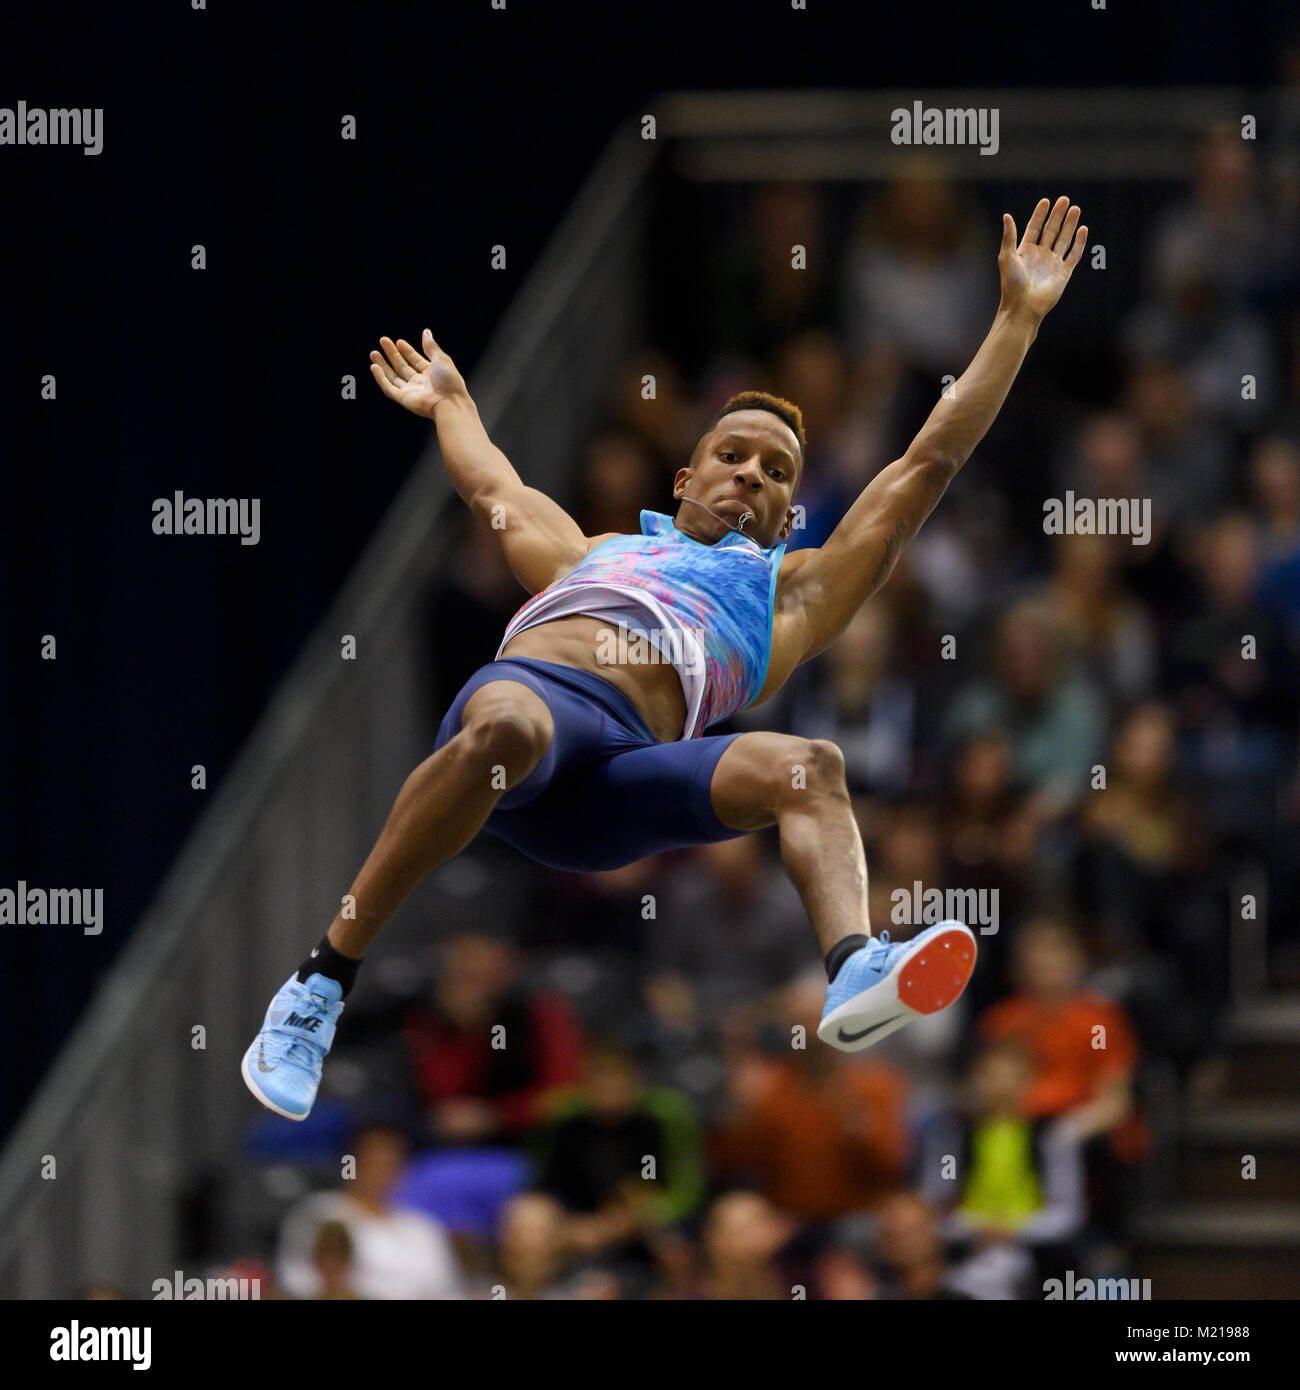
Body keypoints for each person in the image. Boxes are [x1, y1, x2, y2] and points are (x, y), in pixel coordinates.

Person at [243, 198, 1090, 1123]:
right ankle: (320, 985)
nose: (752, 476)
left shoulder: (790, 599)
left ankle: (854, 969)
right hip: (530, 717)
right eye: (733, 454)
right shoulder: (588, 554)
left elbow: (924, 467)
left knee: (812, 766)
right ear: (685, 478)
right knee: (511, 727)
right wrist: (451, 402)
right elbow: (491, 483)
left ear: (789, 514)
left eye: (777, 473)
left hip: (616, 791)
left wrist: (1015, 320)